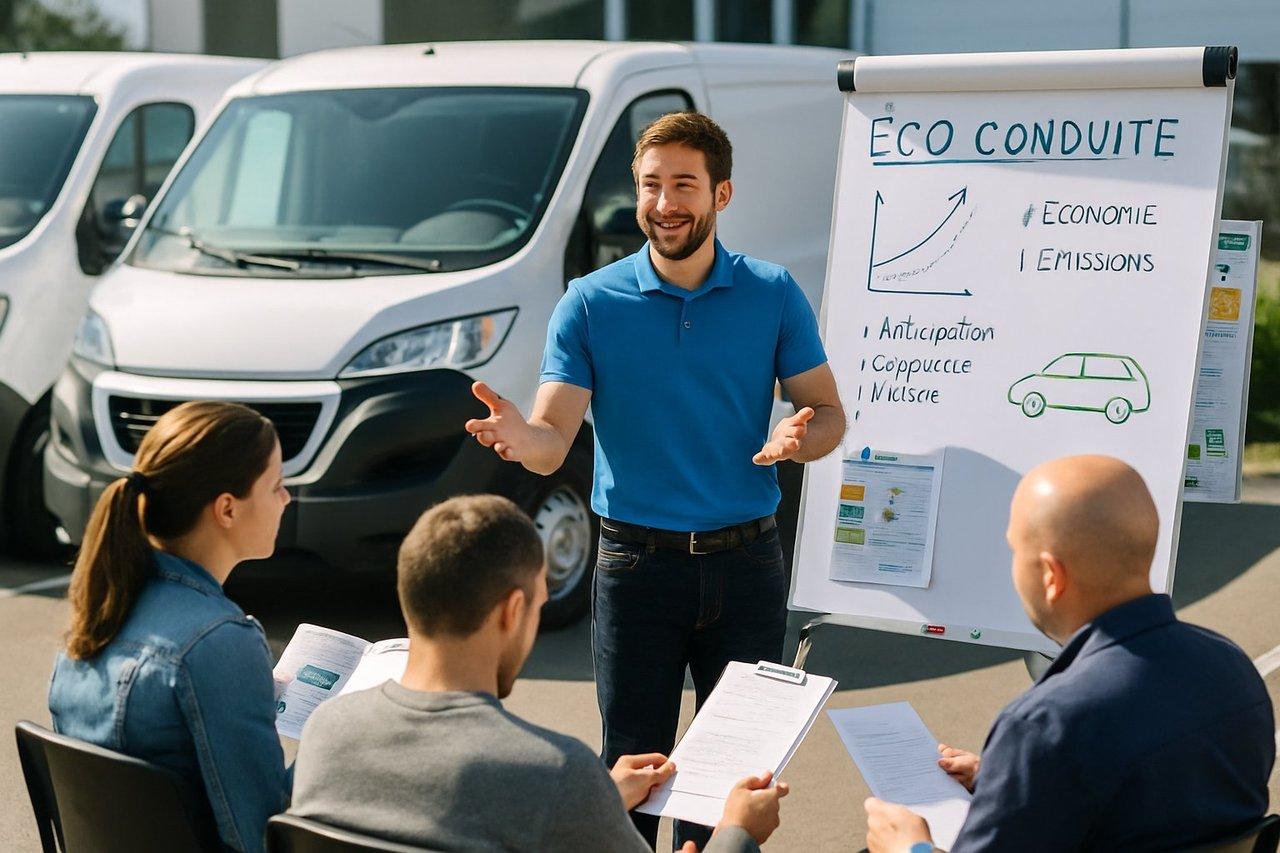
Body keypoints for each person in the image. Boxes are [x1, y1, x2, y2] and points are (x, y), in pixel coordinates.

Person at [464, 110, 845, 846]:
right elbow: (550, 444)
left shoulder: (772, 293)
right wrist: (520, 437)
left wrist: (800, 437)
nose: (665, 203)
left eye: (683, 185)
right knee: (631, 777)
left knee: (732, 782)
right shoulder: (589, 301)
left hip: (747, 564)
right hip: (635, 567)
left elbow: (827, 413)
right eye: (650, 185)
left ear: (721, 194)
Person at [289, 495, 788, 852]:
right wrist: (736, 832)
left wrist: (599, 801)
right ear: (512, 611)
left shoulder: (327, 733)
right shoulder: (552, 771)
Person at [864, 455, 1275, 852]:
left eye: (1014, 551)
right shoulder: (1230, 666)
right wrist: (1009, 780)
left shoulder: (1047, 724)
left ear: (1050, 575)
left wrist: (909, 847)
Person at [48, 401, 293, 853]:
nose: (286, 498)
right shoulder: (219, 641)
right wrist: (335, 739)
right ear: (226, 509)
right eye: (276, 485)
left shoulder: (100, 615)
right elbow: (261, 835)